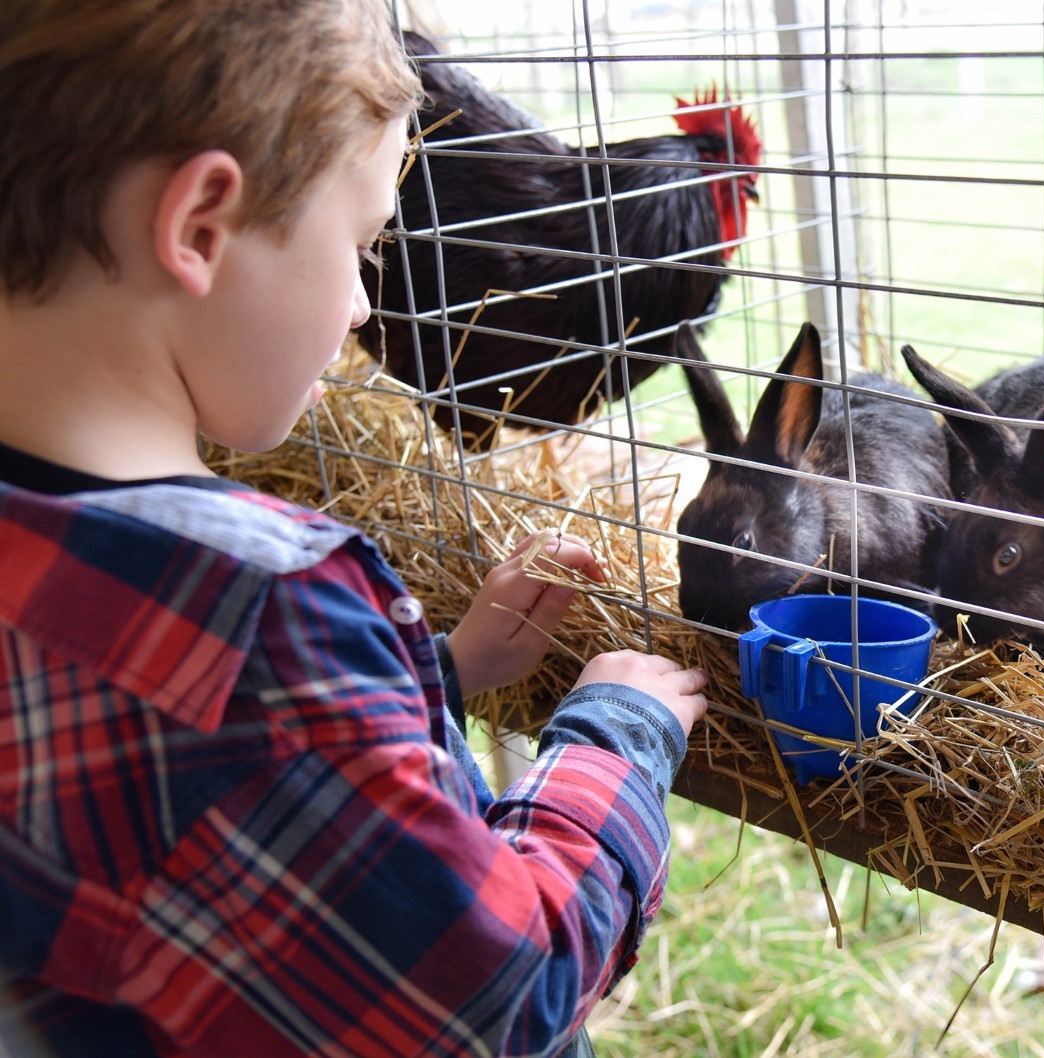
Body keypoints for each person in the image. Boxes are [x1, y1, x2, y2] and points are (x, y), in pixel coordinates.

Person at [0, 2, 709, 1056]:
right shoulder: (267, 615)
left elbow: (192, 781)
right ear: (199, 226)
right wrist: (618, 734)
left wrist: (436, 673)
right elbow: (507, 995)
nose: (367, 311)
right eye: (364, 246)